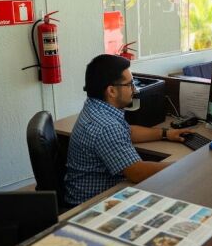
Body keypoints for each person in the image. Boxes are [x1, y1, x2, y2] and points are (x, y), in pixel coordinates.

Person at [64, 54, 192, 206]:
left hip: (85, 195)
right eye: (130, 84)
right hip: (93, 205)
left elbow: (127, 131)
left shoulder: (95, 107)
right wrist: (183, 166)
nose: (135, 89)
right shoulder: (106, 126)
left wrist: (165, 133)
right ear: (111, 91)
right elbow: (138, 173)